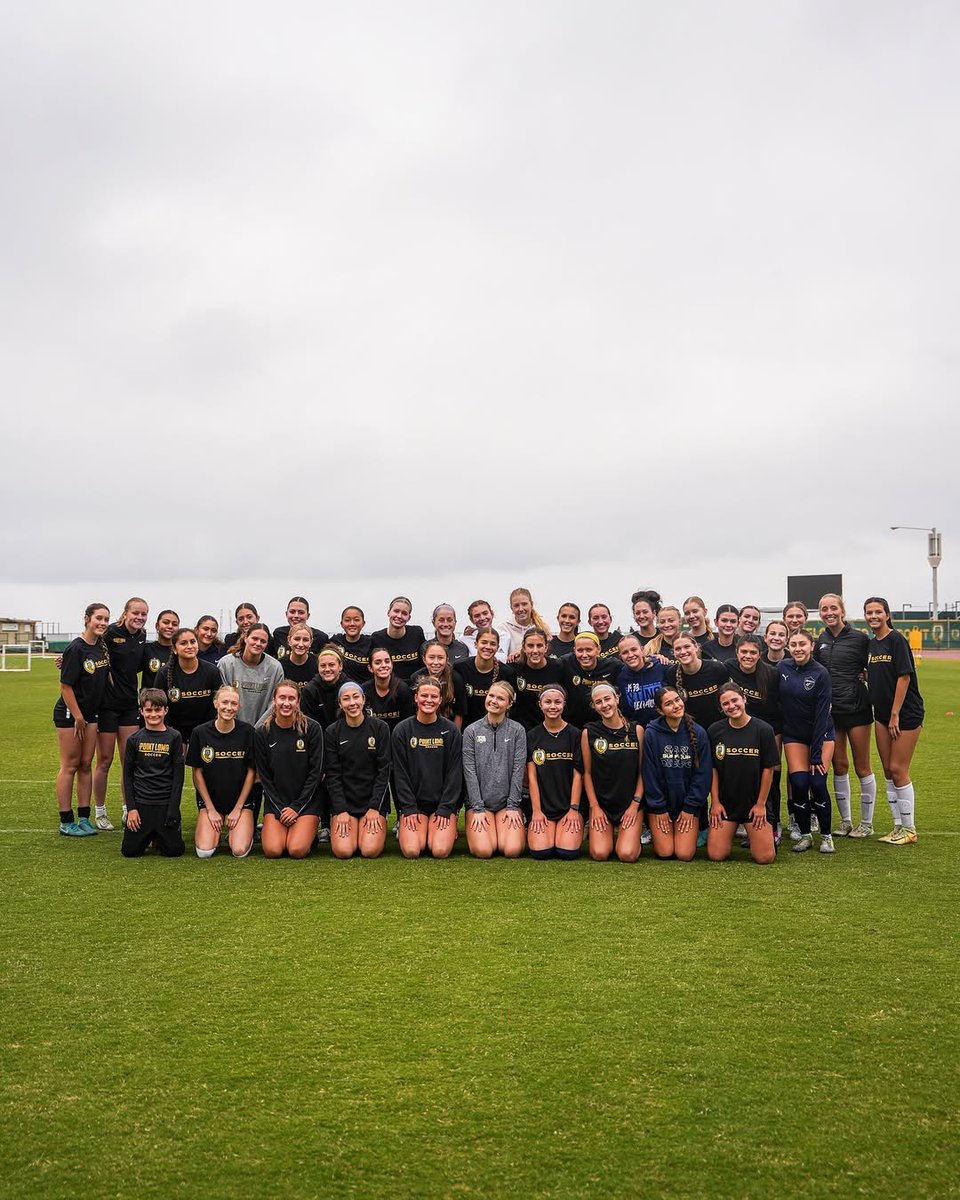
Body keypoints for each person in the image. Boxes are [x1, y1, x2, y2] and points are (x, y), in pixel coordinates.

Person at [813, 593, 875, 838]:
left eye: (833, 608)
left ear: (842, 610)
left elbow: (874, 669)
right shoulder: (821, 640)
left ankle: (866, 824)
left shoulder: (860, 639)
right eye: (824, 609)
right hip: (832, 712)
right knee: (839, 766)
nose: (829, 613)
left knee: (862, 767)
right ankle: (846, 821)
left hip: (857, 709)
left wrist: (866, 676)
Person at [863, 597, 924, 845]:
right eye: (869, 612)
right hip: (882, 715)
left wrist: (896, 714)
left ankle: (909, 829)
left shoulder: (896, 639)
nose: (873, 616)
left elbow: (904, 677)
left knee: (899, 769)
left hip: (904, 714)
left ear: (887, 615)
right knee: (888, 770)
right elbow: (875, 673)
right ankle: (898, 826)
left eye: (878, 611)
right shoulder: (871, 644)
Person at [54, 602, 111, 837]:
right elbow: (65, 687)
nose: (103, 623)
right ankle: (66, 821)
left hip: (91, 714)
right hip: (71, 714)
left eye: (106, 619)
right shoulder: (76, 648)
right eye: (99, 618)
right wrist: (77, 717)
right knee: (70, 765)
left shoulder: (101, 647)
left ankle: (84, 818)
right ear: (86, 619)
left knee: (86, 764)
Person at [93, 596, 149, 830]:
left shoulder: (142, 636)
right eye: (135, 612)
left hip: (129, 705)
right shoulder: (110, 632)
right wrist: (66, 657)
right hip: (106, 706)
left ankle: (128, 809)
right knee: (104, 760)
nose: (139, 617)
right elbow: (88, 648)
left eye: (144, 614)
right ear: (125, 613)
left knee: (129, 761)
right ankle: (100, 812)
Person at [707, 683, 778, 865]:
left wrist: (761, 804)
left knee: (765, 858)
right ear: (721, 708)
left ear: (744, 699)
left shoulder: (763, 730)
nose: (731, 706)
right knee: (716, 855)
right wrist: (715, 803)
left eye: (734, 700)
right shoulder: (715, 731)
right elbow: (713, 769)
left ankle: (762, 835)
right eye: (725, 704)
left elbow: (768, 769)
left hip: (754, 803)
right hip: (726, 804)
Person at [392, 677, 463, 859]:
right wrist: (408, 808)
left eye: (434, 696)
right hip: (415, 806)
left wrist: (446, 808)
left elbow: (455, 773)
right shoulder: (402, 730)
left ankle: (442, 830)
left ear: (440, 700)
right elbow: (400, 774)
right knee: (412, 851)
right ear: (416, 697)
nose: (428, 700)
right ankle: (417, 829)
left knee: (439, 851)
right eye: (424, 695)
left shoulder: (451, 730)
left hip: (442, 805)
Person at [778, 629, 836, 854]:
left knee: (818, 784)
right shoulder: (782, 668)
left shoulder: (820, 673)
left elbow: (823, 714)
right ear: (788, 647)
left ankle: (826, 836)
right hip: (794, 735)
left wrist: (815, 752)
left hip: (821, 735)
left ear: (811, 646)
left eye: (802, 644)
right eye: (793, 644)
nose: (798, 648)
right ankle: (804, 835)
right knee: (800, 785)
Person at [254, 682, 324, 859]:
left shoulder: (312, 729)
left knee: (296, 850)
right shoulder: (263, 732)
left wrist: (296, 807)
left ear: (298, 702)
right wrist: (280, 808)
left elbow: (315, 774)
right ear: (274, 700)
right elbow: (265, 777)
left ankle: (308, 834)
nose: (286, 703)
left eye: (291, 698)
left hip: (306, 803)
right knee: (273, 851)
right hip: (277, 802)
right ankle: (290, 829)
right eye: (282, 698)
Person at [641, 687, 711, 861]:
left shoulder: (699, 732)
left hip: (687, 806)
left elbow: (703, 775)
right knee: (665, 852)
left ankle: (698, 827)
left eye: (677, 700)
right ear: (660, 710)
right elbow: (649, 773)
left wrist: (689, 808)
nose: (676, 705)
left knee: (684, 854)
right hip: (661, 805)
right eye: (668, 703)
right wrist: (658, 808)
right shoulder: (651, 733)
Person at [325, 681, 391, 860]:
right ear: (340, 704)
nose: (352, 703)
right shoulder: (332, 732)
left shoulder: (380, 728)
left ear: (363, 700)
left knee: (369, 851)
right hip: (346, 803)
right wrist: (341, 810)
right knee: (344, 851)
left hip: (372, 802)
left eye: (356, 697)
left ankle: (374, 833)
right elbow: (333, 775)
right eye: (346, 699)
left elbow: (384, 772)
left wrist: (374, 807)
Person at [187, 684, 256, 858]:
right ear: (216, 703)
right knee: (204, 852)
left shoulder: (248, 732)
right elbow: (197, 773)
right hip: (212, 804)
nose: (229, 707)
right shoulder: (200, 733)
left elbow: (251, 772)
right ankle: (215, 828)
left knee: (239, 851)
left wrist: (238, 808)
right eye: (225, 702)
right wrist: (210, 809)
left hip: (240, 804)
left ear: (238, 707)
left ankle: (240, 830)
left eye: (234, 704)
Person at [463, 681, 527, 858]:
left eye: (501, 698)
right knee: (484, 851)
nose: (494, 701)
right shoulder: (471, 731)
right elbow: (469, 772)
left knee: (512, 850)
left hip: (506, 805)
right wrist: (477, 808)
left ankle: (505, 827)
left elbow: (517, 770)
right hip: (480, 805)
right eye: (491, 696)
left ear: (509, 704)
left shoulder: (517, 731)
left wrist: (513, 806)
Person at [728, 634, 783, 838]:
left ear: (760, 654)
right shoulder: (729, 668)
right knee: (744, 775)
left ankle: (773, 822)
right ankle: (742, 820)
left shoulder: (771, 674)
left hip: (768, 730)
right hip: (740, 730)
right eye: (744, 652)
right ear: (737, 653)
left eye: (753, 652)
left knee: (772, 775)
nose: (748, 656)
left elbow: (777, 709)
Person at [581, 683, 643, 863]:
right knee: (600, 853)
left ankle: (632, 834)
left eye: (607, 699)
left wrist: (635, 804)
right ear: (594, 706)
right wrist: (595, 808)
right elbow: (587, 773)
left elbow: (643, 772)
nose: (604, 705)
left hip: (630, 803)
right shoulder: (589, 732)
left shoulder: (636, 730)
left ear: (617, 698)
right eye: (598, 702)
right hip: (602, 804)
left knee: (626, 854)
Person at [120, 688, 185, 858]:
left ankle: (157, 834)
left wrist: (173, 809)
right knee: (130, 851)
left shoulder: (174, 737)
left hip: (165, 804)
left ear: (166, 710)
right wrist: (131, 809)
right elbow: (127, 776)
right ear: (141, 711)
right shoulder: (134, 739)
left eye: (157, 710)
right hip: (141, 805)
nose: (153, 714)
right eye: (148, 710)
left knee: (174, 851)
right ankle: (150, 834)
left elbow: (178, 777)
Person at [526, 685, 585, 860]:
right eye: (548, 702)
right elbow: (532, 777)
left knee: (567, 852)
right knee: (541, 852)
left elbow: (578, 775)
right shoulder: (532, 736)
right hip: (543, 807)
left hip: (569, 806)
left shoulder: (575, 734)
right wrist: (537, 812)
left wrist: (574, 809)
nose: (553, 706)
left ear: (564, 704)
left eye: (557, 702)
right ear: (540, 705)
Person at [162, 628, 222, 748]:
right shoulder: (164, 673)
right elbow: (161, 704)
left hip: (205, 731)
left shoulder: (212, 671)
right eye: (183, 643)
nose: (189, 646)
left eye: (193, 642)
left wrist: (207, 730)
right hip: (175, 732)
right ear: (174, 649)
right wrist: (170, 732)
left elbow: (216, 705)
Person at [218, 622, 285, 726]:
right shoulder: (226, 664)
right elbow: (222, 698)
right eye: (254, 638)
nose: (258, 643)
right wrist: (237, 728)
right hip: (231, 728)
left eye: (263, 641)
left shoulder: (275, 668)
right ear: (245, 638)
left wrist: (258, 729)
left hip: (262, 732)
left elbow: (274, 703)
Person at [665, 634, 730, 729]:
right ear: (674, 653)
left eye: (687, 647)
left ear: (696, 647)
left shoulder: (717, 669)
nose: (683, 652)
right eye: (678, 649)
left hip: (720, 727)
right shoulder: (671, 674)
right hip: (691, 730)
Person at [455, 629, 515, 727]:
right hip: (467, 729)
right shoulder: (460, 668)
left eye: (493, 644)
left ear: (498, 647)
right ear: (475, 644)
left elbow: (511, 707)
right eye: (484, 642)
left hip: (496, 728)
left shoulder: (507, 673)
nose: (488, 647)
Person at [509, 628, 564, 731]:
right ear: (523, 648)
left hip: (550, 729)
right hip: (523, 729)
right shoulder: (515, 668)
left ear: (546, 647)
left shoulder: (558, 667)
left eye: (539, 646)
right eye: (530, 646)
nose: (535, 651)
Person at [562, 631, 619, 728]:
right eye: (580, 650)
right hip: (574, 726)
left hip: (604, 726)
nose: (584, 655)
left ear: (598, 649)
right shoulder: (566, 663)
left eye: (589, 650)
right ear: (574, 650)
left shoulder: (612, 666)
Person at [410, 640, 468, 727]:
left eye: (440, 658)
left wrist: (455, 736)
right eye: (431, 657)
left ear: (447, 659)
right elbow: (413, 711)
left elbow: (459, 713)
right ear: (424, 659)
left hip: (448, 727)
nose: (436, 662)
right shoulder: (416, 677)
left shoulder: (456, 679)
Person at [615, 633, 668, 727]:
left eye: (634, 649)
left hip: (664, 728)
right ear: (620, 657)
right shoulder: (620, 678)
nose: (630, 655)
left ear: (642, 650)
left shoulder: (661, 667)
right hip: (637, 731)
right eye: (625, 652)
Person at [371, 597, 426, 680]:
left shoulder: (417, 633)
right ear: (388, 612)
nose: (399, 616)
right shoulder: (376, 638)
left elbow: (425, 662)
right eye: (396, 611)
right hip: (389, 687)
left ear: (409, 618)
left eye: (404, 613)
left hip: (414, 686)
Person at [362, 648, 416, 729]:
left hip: (396, 737)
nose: (384, 665)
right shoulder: (364, 690)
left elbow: (408, 724)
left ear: (392, 664)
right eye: (378, 662)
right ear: (370, 668)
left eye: (387, 661)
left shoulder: (403, 690)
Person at [498, 587, 551, 661]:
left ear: (531, 604)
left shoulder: (542, 627)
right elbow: (500, 656)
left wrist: (522, 651)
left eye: (524, 604)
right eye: (516, 605)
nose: (521, 609)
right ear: (511, 608)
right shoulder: (503, 628)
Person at [300, 645, 347, 727]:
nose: (327, 669)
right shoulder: (309, 691)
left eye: (331, 665)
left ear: (340, 666)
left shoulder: (349, 688)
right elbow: (309, 725)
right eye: (323, 665)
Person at [330, 606, 373, 683]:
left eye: (356, 620)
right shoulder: (335, 641)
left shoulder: (371, 643)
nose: (352, 624)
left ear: (363, 623)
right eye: (347, 620)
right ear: (342, 624)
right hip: (341, 690)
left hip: (365, 690)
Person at [142, 609, 180, 688]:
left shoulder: (181, 651)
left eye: (174, 624)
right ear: (157, 626)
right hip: (151, 698)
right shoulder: (146, 649)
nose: (170, 626)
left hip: (175, 697)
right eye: (166, 622)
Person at [279, 623, 319, 690]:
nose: (300, 644)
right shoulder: (280, 665)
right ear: (289, 640)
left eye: (305, 640)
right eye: (297, 639)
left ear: (311, 642)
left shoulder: (318, 663)